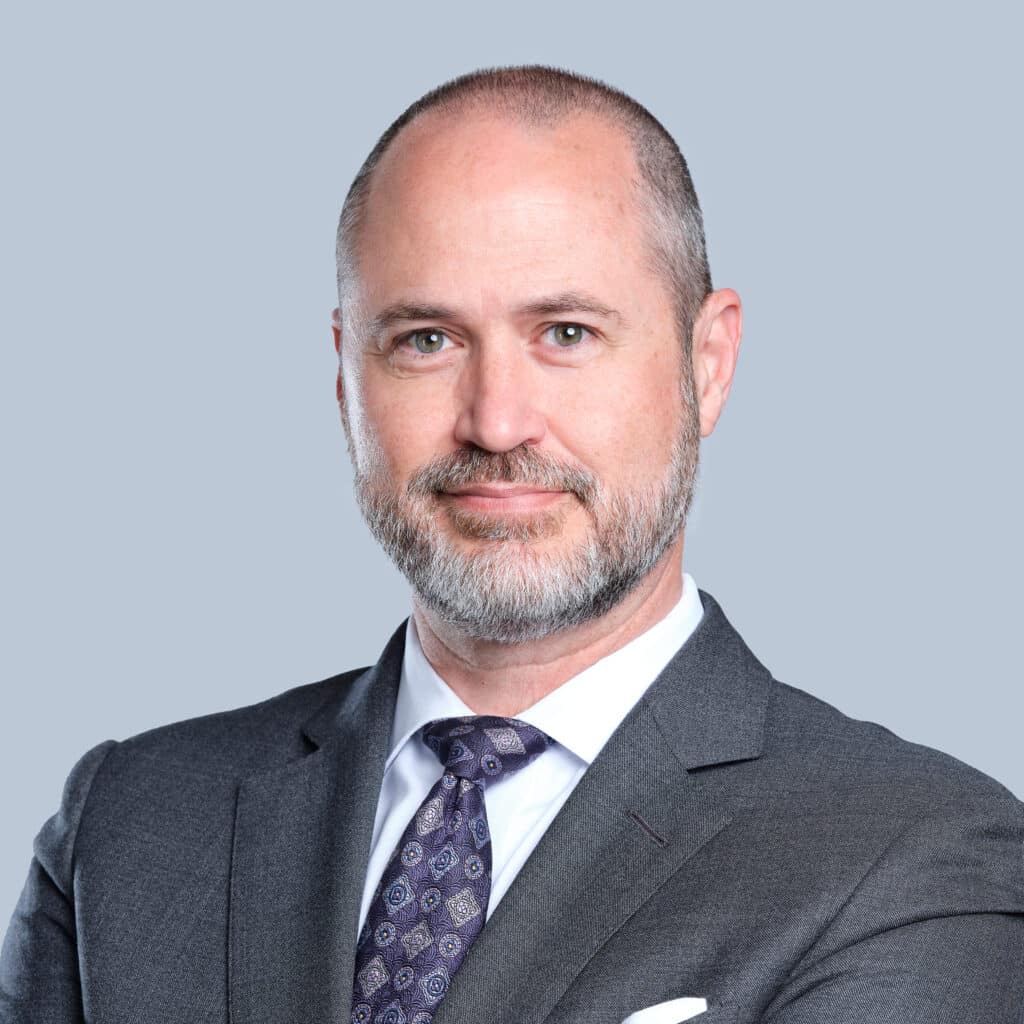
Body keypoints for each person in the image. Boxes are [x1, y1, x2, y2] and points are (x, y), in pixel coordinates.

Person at [1, 65, 1021, 1024]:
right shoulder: (128, 825)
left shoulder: (915, 856)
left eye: (566, 333)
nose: (495, 422)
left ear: (706, 364)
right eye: (426, 340)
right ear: (346, 376)